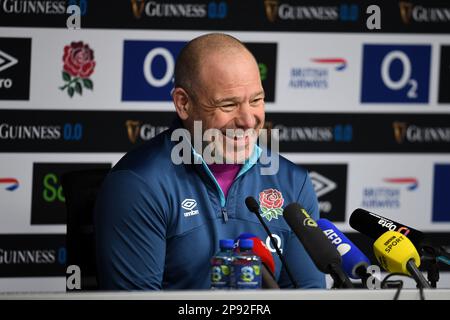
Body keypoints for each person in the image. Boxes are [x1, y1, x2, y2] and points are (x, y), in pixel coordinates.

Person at [94, 33, 325, 290]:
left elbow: (307, 294)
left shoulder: (294, 183)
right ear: (183, 103)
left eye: (256, 100)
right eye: (228, 104)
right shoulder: (138, 185)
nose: (248, 120)